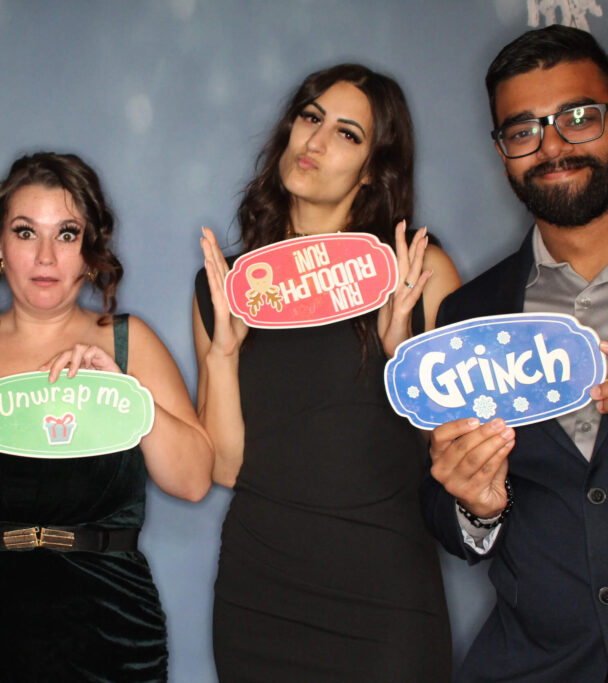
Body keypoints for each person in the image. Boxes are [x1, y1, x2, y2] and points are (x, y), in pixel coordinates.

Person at [0, 152, 213, 683]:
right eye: (26, 233)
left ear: (91, 250)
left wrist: (124, 391)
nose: (46, 256)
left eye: (67, 234)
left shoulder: (129, 343)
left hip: (109, 637)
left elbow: (191, 481)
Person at [422, 25, 608, 683]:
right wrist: (473, 507)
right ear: (503, 153)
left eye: (578, 118)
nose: (551, 145)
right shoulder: (468, 315)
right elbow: (444, 500)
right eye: (523, 131)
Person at [194, 63, 461, 681]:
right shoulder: (229, 288)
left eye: (346, 133)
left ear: (372, 169)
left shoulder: (414, 272)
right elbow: (226, 467)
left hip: (386, 598)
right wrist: (224, 353)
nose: (314, 141)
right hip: (260, 596)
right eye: (310, 117)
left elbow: (463, 457)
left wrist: (403, 358)